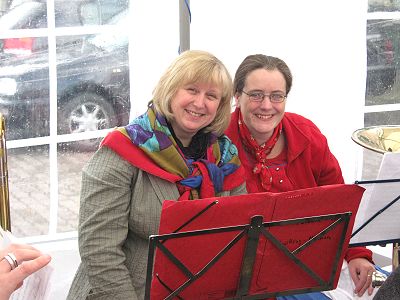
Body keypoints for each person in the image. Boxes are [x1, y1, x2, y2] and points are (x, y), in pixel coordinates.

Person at [67, 50, 246, 299]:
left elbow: (238, 239)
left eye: (211, 96)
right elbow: (99, 250)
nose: (200, 103)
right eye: (192, 90)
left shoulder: (226, 158)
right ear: (170, 90)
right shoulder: (123, 149)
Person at [225, 54, 376, 299]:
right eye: (256, 95)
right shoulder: (218, 142)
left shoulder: (307, 135)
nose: (266, 105)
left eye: (276, 96)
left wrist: (356, 253)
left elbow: (339, 201)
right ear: (237, 96)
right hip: (244, 274)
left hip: (306, 263)